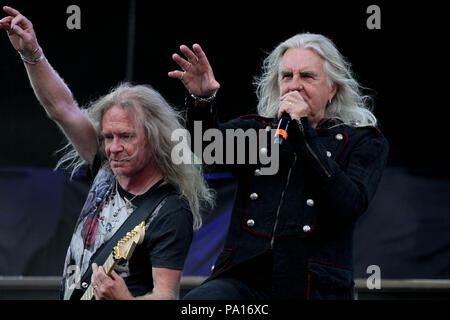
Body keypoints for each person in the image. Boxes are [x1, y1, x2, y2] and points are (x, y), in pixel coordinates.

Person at [0, 6, 214, 300]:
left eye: (126, 136)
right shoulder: (105, 166)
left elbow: (167, 296)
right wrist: (31, 51)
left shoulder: (170, 209)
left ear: (155, 140)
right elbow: (61, 108)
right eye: (108, 136)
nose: (113, 147)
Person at [169, 34, 389, 299]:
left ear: (332, 89)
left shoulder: (362, 141)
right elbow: (207, 149)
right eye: (287, 76)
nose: (294, 86)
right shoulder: (260, 131)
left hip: (313, 286)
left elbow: (349, 204)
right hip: (243, 280)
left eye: (307, 76)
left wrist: (301, 130)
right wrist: (202, 101)